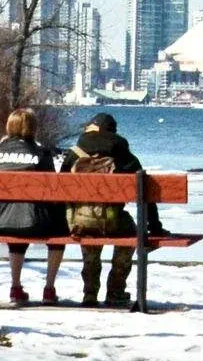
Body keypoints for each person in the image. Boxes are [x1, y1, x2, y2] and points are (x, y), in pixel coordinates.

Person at [65, 112, 155, 308]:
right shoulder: (124, 155)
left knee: (88, 227)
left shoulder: (75, 153)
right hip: (113, 221)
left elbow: (60, 190)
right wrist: (154, 226)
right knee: (131, 231)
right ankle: (115, 290)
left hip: (82, 221)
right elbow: (146, 191)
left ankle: (90, 293)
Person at [0, 109, 68, 308]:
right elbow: (52, 189)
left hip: (0, 220)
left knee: (18, 216)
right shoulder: (41, 152)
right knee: (59, 227)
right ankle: (49, 288)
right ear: (33, 127)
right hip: (35, 221)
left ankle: (15, 286)